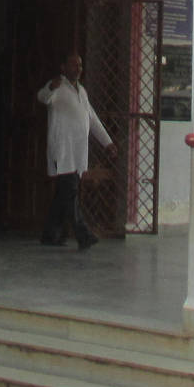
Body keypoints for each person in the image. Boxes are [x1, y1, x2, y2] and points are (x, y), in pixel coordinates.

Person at [36, 52, 115, 249]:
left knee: (63, 194)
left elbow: (92, 119)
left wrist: (108, 143)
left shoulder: (82, 91)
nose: (78, 68)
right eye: (73, 65)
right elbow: (42, 97)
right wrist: (50, 88)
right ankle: (83, 234)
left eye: (80, 65)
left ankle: (50, 235)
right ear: (63, 67)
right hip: (62, 150)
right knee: (70, 191)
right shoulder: (57, 86)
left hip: (77, 152)